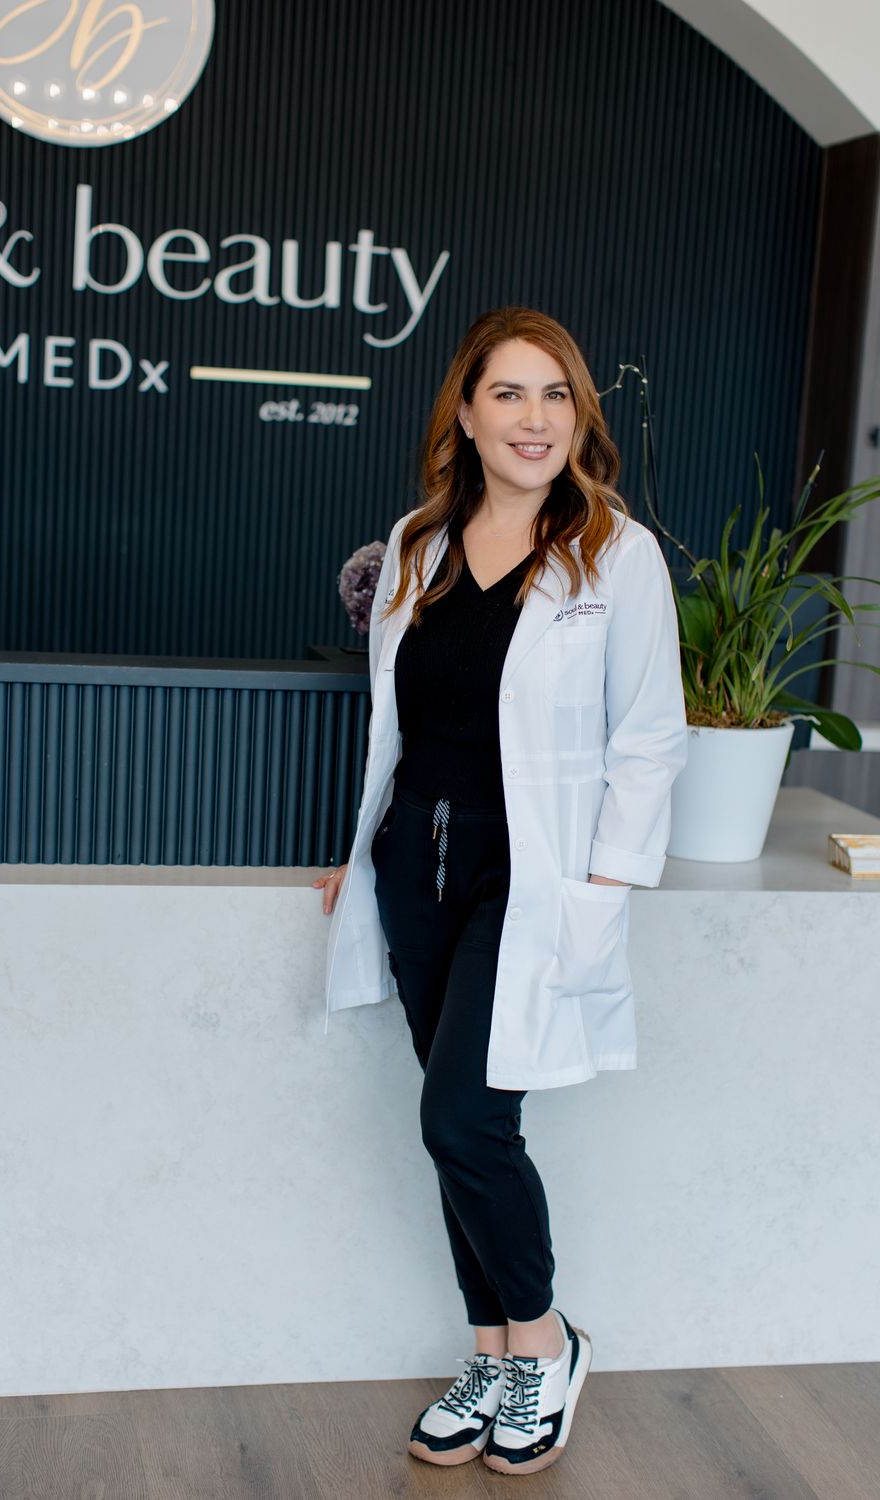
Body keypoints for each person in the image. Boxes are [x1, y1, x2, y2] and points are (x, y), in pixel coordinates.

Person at [313, 305, 688, 1476]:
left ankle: (543, 1343)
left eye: (556, 396)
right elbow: (396, 723)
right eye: (509, 395)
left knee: (459, 1117)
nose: (534, 419)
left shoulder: (613, 552)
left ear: (578, 418)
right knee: (468, 1127)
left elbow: (651, 738)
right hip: (414, 861)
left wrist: (601, 883)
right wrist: (357, 845)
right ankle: (488, 1352)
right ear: (465, 415)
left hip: (533, 875)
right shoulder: (416, 543)